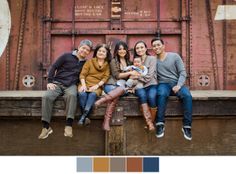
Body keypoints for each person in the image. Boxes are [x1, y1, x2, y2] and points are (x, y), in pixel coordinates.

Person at [38, 39, 93, 139]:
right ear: (79, 47)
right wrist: (49, 82)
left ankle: (68, 125)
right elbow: (54, 67)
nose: (84, 51)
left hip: (71, 85)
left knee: (72, 96)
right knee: (46, 97)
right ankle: (46, 127)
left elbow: (86, 76)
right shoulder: (66, 56)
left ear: (89, 52)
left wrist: (85, 86)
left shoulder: (86, 63)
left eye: (87, 50)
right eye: (83, 48)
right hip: (57, 83)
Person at [151, 37, 193, 140]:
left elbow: (182, 72)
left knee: (187, 96)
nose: (156, 47)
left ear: (163, 46)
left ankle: (187, 126)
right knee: (161, 94)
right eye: (154, 46)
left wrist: (178, 85)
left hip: (176, 83)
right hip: (163, 84)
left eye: (158, 45)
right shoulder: (153, 60)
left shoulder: (174, 56)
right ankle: (160, 124)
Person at [94, 41, 136, 131]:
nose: (122, 51)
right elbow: (117, 75)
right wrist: (130, 72)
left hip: (122, 87)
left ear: (126, 50)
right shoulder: (113, 61)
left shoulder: (129, 62)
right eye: (120, 49)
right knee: (118, 92)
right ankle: (106, 122)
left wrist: (133, 83)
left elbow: (132, 78)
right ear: (116, 51)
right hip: (111, 85)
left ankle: (103, 101)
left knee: (119, 92)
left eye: (124, 49)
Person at [77, 44, 111, 126]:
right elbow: (82, 75)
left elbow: (105, 77)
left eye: (103, 51)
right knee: (82, 94)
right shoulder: (89, 62)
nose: (101, 52)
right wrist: (83, 85)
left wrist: (97, 86)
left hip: (97, 86)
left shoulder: (107, 65)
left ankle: (83, 116)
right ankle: (86, 116)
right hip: (85, 83)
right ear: (96, 52)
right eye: (99, 51)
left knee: (92, 94)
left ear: (106, 54)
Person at [132, 41, 158, 131]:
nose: (139, 50)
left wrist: (137, 76)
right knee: (142, 96)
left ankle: (151, 122)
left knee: (151, 97)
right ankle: (150, 123)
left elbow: (149, 77)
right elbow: (131, 75)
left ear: (146, 48)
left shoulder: (152, 59)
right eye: (137, 48)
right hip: (140, 86)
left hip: (152, 84)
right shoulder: (135, 61)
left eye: (141, 47)